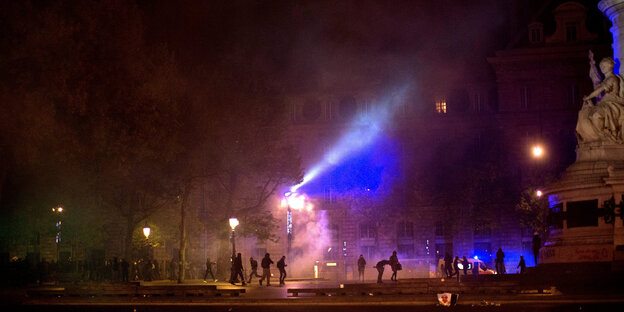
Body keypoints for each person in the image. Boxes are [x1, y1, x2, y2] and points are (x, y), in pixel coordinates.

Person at [576, 56, 624, 143]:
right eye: (601, 66)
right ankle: (590, 136)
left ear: (610, 66)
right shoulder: (606, 79)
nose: (602, 68)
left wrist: (589, 97)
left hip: (612, 102)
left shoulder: (612, 78)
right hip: (604, 102)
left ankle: (606, 135)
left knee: (596, 114)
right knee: (584, 113)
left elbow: (599, 90)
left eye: (604, 66)